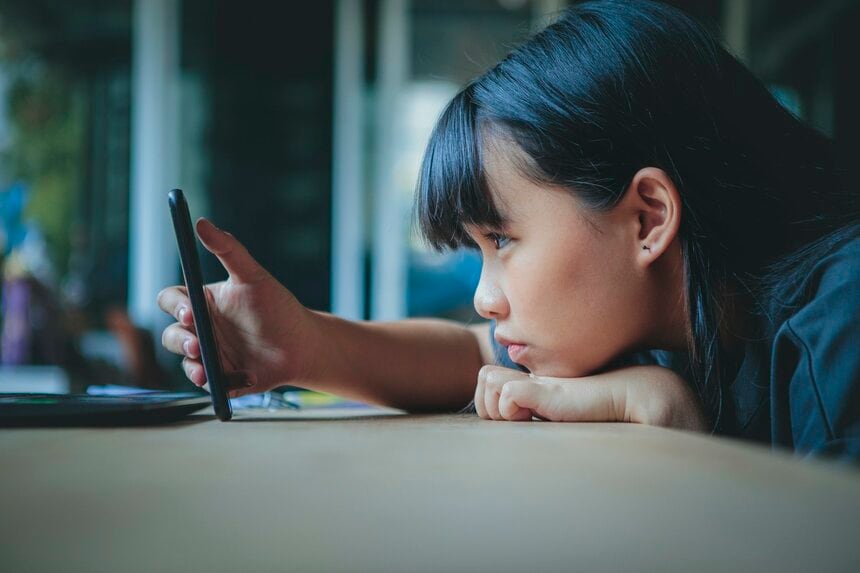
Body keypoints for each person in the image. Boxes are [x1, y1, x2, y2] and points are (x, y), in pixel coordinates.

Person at [157, 0, 859, 460]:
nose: (487, 297)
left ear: (647, 218)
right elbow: (470, 355)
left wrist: (675, 424)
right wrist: (302, 343)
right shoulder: (665, 318)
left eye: (504, 241)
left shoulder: (842, 334)